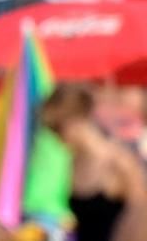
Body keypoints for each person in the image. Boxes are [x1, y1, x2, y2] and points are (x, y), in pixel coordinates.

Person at [43, 84, 147, 241]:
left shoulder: (117, 161)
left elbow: (141, 214)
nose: (57, 137)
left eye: (57, 128)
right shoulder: (75, 162)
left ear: (75, 120)